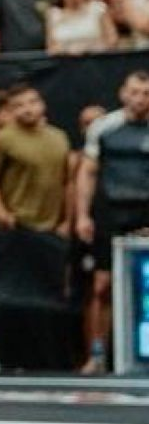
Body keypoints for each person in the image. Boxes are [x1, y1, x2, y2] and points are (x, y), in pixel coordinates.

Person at [75, 70, 149, 374]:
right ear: (123, 93)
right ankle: (97, 353)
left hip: (146, 212)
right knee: (102, 285)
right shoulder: (103, 128)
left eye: (146, 93)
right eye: (135, 92)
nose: (140, 99)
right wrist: (81, 214)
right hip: (111, 212)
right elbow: (88, 172)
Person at [0, 84, 72, 234]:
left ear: (42, 104)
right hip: (17, 223)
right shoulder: (3, 139)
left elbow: (68, 182)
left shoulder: (60, 137)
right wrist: (0, 213)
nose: (27, 109)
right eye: (19, 105)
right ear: (11, 110)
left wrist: (68, 221)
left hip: (54, 227)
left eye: (33, 102)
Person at [48, 0, 118, 56]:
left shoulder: (98, 8)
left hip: (96, 61)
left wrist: (98, 49)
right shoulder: (54, 14)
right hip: (66, 63)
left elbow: (112, 39)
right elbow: (51, 47)